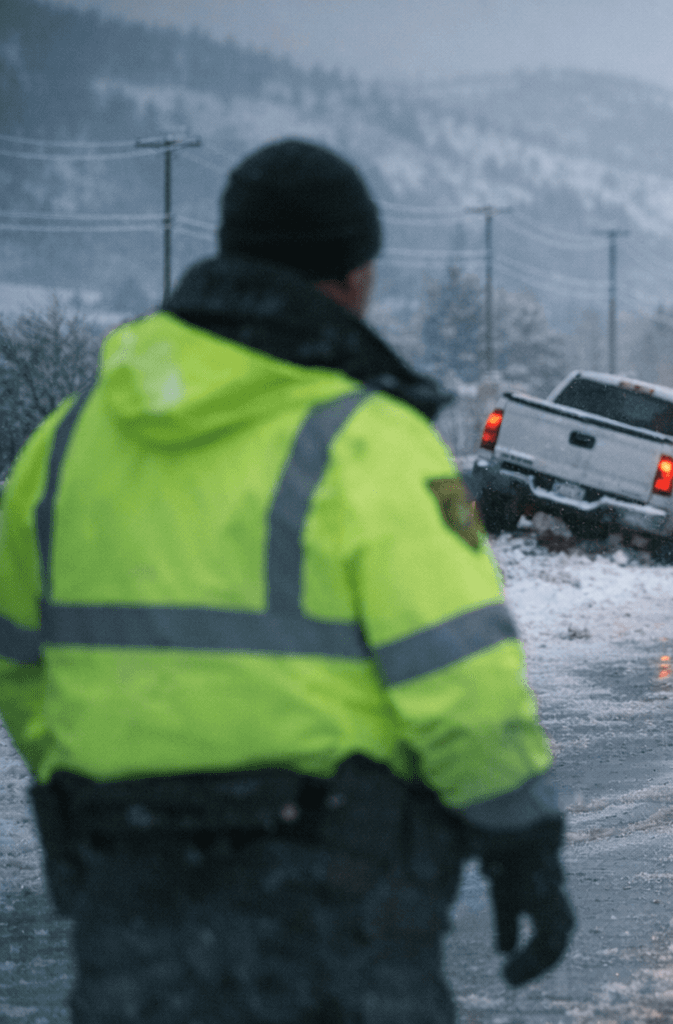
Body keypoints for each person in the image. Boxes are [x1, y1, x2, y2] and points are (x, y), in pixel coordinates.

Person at [0, 139, 572, 1023]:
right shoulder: (368, 443)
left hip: (129, 884)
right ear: (350, 276)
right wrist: (520, 842)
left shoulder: (65, 446)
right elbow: (460, 685)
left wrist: (106, 797)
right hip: (333, 907)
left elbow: (22, 670)